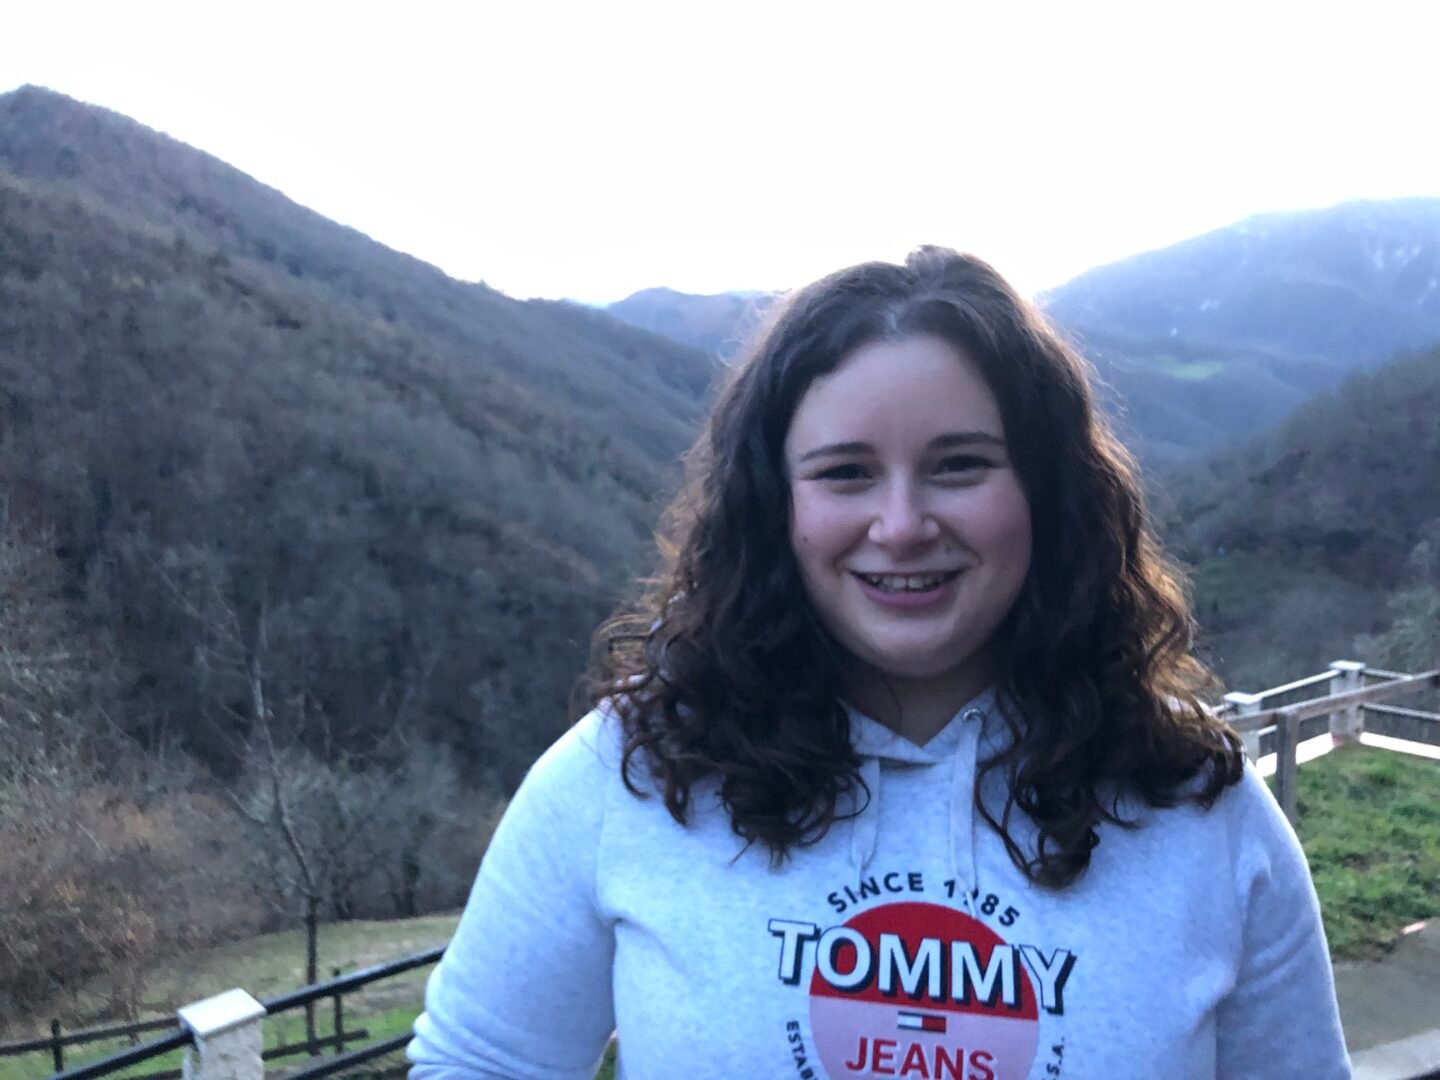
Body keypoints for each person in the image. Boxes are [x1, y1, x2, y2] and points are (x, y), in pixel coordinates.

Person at [407, 248, 1350, 1079]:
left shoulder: (1199, 804)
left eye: (960, 465)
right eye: (845, 473)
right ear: (774, 505)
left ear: (1048, 491)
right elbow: (477, 1064)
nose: (901, 527)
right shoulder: (628, 775)